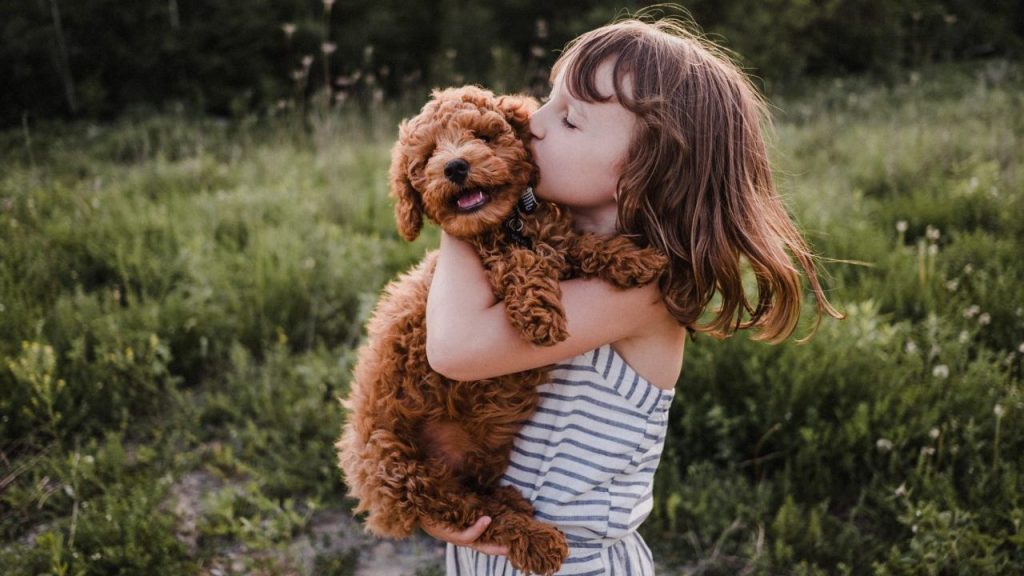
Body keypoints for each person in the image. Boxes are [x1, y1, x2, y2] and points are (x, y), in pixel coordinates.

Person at [423, 14, 842, 575]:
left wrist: (461, 208)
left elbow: (455, 348)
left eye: (569, 119)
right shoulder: (550, 253)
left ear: (643, 172)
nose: (532, 123)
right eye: (548, 100)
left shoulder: (641, 292)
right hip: (494, 552)